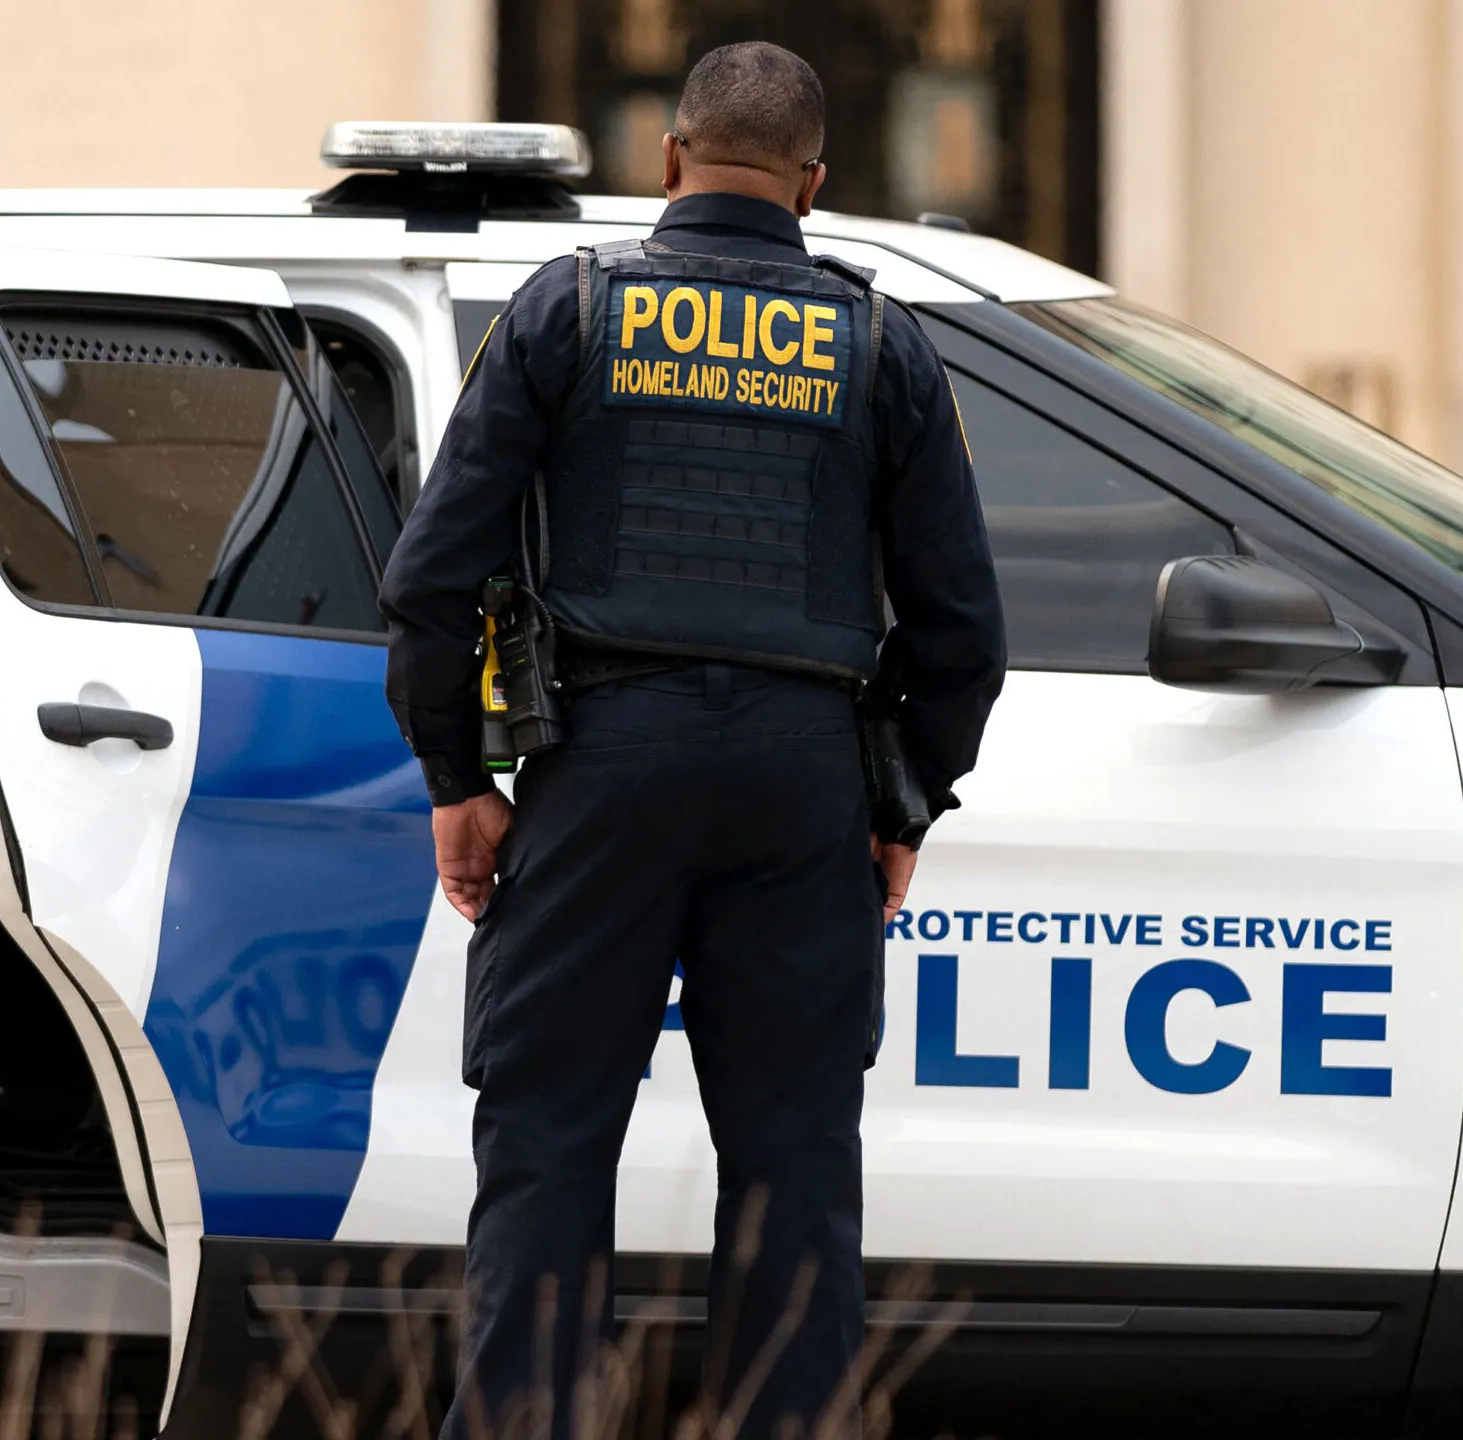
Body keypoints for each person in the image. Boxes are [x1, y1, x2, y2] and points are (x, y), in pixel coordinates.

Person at [379, 41, 1005, 1440]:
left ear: (668, 159)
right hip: (803, 785)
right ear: (814, 187)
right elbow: (963, 627)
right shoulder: (879, 338)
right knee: (792, 1170)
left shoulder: (571, 308)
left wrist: (457, 779)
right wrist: (900, 801)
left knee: (544, 1151)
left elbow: (432, 578)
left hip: (598, 765)